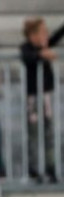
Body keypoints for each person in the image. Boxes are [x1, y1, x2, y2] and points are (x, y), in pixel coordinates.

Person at [20, 17, 64, 184]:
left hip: (45, 97)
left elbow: (56, 37)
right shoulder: (27, 48)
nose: (46, 35)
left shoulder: (45, 45)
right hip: (33, 98)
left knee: (49, 132)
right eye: (43, 32)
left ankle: (50, 167)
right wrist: (41, 54)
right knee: (33, 133)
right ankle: (33, 169)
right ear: (33, 36)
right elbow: (28, 56)